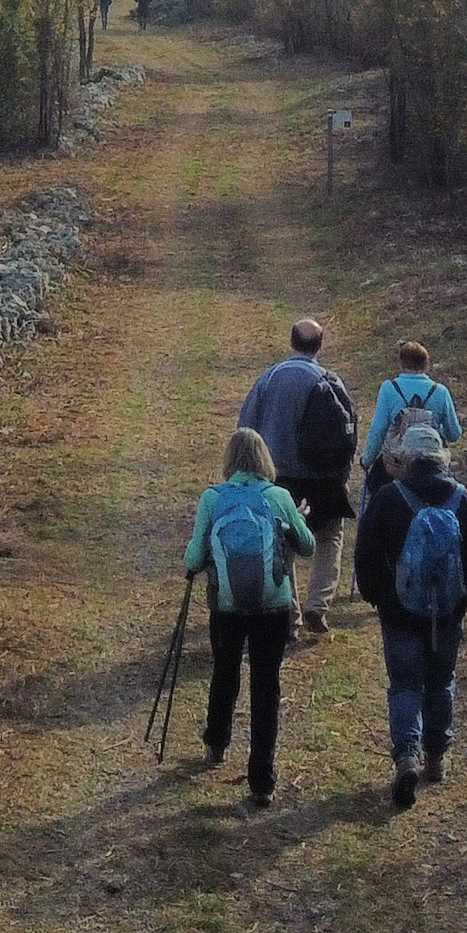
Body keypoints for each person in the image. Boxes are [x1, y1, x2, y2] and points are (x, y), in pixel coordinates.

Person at [354, 420, 467, 808]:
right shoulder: (463, 500)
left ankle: (406, 756)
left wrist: (376, 596)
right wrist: (464, 599)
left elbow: (365, 555)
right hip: (447, 612)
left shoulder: (387, 497)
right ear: (441, 458)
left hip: (399, 612)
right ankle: (436, 755)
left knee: (404, 685)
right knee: (441, 680)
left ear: (405, 459)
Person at [179, 427, 313, 809]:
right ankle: (262, 781)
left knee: (224, 671)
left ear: (229, 460)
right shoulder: (278, 496)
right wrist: (290, 526)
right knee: (266, 686)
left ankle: (216, 743)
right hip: (272, 605)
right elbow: (309, 546)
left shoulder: (213, 498)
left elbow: (192, 559)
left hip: (226, 603)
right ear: (263, 459)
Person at [235, 318, 358, 633]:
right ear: (320, 345)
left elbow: (246, 428)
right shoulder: (330, 381)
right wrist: (342, 475)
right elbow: (348, 433)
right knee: (330, 537)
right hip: (326, 479)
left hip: (281, 478)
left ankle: (290, 612)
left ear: (291, 342)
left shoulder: (269, 378)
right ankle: (318, 604)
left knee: (282, 542)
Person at [358, 341, 465, 500]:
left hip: (396, 463)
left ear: (400, 363)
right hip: (432, 463)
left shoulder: (389, 388)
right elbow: (454, 434)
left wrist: (367, 460)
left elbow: (378, 429)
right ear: (426, 363)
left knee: (376, 493)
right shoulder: (441, 391)